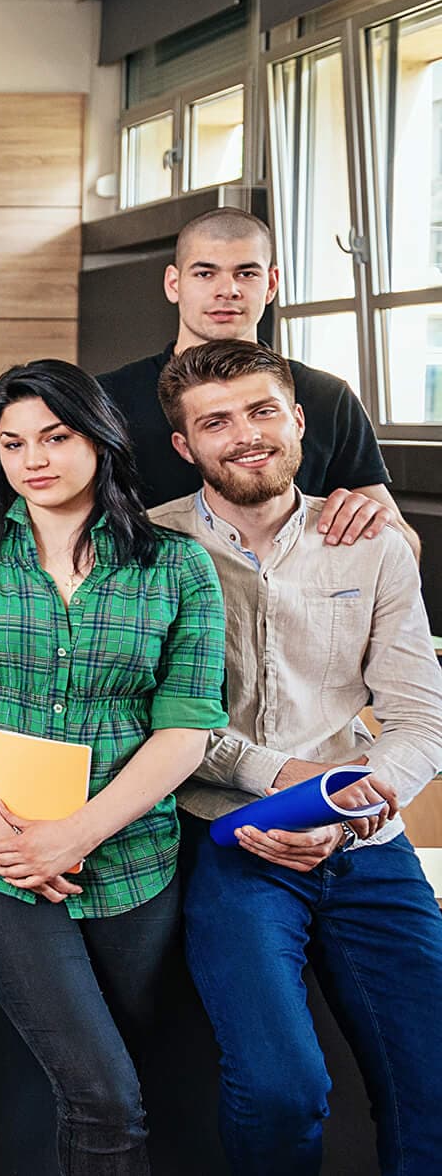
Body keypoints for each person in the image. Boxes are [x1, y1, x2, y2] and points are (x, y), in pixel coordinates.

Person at [0, 360, 227, 1176]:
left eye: (56, 436)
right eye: (11, 442)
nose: (33, 458)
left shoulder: (177, 566)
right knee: (105, 1097)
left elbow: (186, 727)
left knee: (122, 1083)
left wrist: (73, 833)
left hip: (130, 862)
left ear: (101, 437)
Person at [151, 340, 442, 1176]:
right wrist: (278, 784)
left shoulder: (372, 544)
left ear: (299, 419)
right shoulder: (151, 549)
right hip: (227, 840)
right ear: (184, 446)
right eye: (215, 423)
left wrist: (351, 803)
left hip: (367, 842)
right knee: (281, 1090)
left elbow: (421, 714)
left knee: (430, 1083)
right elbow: (149, 717)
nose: (245, 435)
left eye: (262, 411)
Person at [93, 209, 408, 550]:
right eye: (204, 273)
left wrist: (377, 522)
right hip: (155, 598)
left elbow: (403, 548)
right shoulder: (106, 398)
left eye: (245, 273)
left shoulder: (326, 396)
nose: (227, 290)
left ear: (271, 284)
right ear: (174, 283)